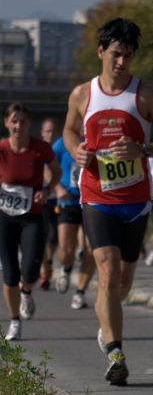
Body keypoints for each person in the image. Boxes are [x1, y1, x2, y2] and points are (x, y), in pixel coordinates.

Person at [63, 17, 153, 383]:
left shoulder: (144, 95)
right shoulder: (83, 94)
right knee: (108, 270)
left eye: (128, 56)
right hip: (96, 195)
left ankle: (107, 324)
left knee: (124, 283)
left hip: (135, 199)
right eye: (115, 54)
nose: (121, 62)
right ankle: (116, 352)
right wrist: (76, 151)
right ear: (101, 52)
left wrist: (142, 148)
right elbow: (69, 129)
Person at [0, 104, 61, 341]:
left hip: (32, 216)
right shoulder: (2, 149)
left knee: (30, 271)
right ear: (6, 123)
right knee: (9, 273)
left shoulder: (41, 149)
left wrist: (46, 190)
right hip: (5, 217)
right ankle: (14, 321)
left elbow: (56, 173)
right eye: (14, 121)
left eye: (22, 121)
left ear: (29, 124)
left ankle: (27, 292)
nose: (18, 126)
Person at [51, 121, 96, 309]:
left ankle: (80, 292)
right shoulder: (63, 143)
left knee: (91, 249)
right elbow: (46, 166)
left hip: (91, 201)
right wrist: (57, 187)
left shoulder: (98, 142)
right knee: (66, 250)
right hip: (68, 200)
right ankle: (66, 268)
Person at [39, 118, 59, 290]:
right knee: (44, 236)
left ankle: (49, 262)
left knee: (54, 238)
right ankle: (45, 271)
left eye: (53, 131)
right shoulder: (40, 151)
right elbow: (46, 173)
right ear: (42, 133)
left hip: (58, 200)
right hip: (43, 199)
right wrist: (56, 187)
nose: (50, 134)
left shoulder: (58, 149)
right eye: (47, 131)